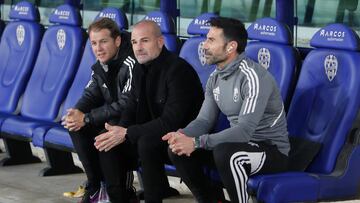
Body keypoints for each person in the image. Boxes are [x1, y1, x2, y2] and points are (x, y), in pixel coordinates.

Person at [162, 17, 290, 203]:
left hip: (270, 151)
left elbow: (244, 131)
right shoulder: (215, 77)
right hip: (235, 146)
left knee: (227, 154)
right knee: (177, 149)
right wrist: (182, 134)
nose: (204, 46)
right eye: (206, 39)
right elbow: (204, 121)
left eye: (211, 40)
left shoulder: (253, 76)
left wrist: (197, 142)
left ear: (231, 47)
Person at [93, 20, 204, 203]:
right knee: (106, 140)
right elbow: (131, 107)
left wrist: (127, 132)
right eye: (135, 42)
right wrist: (117, 131)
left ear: (160, 42)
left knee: (145, 142)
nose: (138, 48)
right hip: (152, 134)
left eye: (145, 41)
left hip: (180, 137)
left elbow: (171, 121)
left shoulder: (178, 70)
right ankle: (118, 198)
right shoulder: (138, 68)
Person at [62, 17, 137, 203]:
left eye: (103, 42)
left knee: (104, 135)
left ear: (117, 41)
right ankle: (96, 187)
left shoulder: (131, 62)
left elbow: (127, 104)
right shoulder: (100, 65)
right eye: (94, 43)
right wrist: (77, 113)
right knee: (75, 127)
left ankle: (118, 194)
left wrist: (87, 118)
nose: (98, 48)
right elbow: (91, 94)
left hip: (134, 124)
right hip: (114, 120)